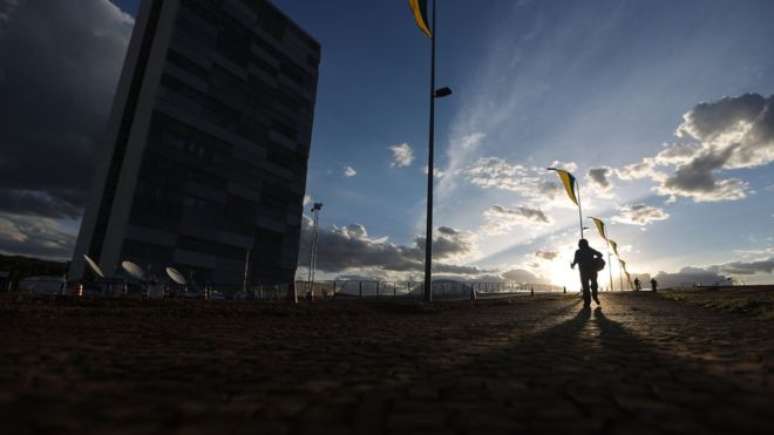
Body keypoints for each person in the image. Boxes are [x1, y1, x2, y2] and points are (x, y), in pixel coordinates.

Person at [570, 239, 604, 307]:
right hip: (592, 270)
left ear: (580, 244)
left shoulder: (578, 251)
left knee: (586, 287)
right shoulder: (590, 250)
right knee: (594, 284)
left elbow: (575, 261)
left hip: (583, 272)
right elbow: (600, 254)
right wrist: (596, 260)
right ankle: (595, 296)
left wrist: (572, 265)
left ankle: (587, 302)